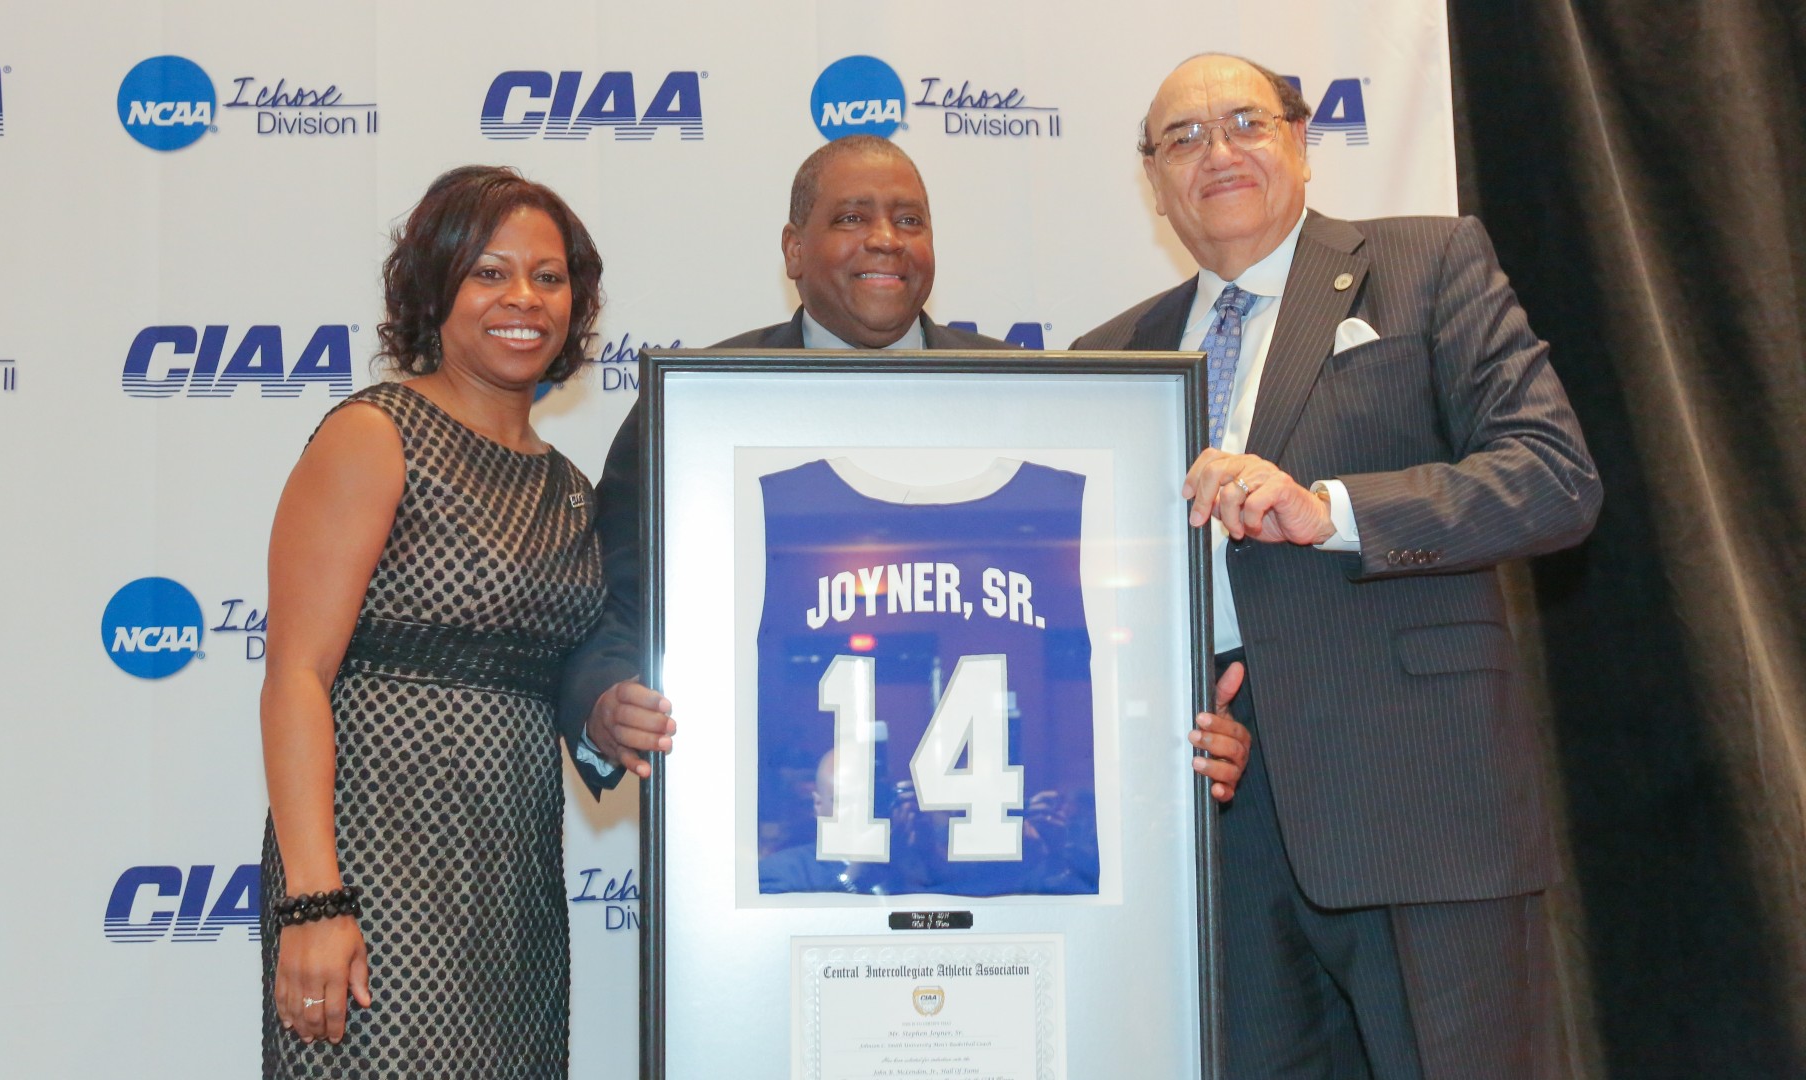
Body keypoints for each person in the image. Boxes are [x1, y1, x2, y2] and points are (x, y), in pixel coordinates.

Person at [1075, 54, 1603, 1077]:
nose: (1216, 152)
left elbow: (1554, 476)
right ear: (1153, 180)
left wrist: (1332, 511)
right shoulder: (1116, 355)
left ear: (1300, 141)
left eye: (1244, 123)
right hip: (1215, 826)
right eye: (1182, 138)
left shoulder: (1429, 264)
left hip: (1411, 800)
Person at [556, 135, 1253, 808]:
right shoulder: (696, 411)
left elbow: (1114, 606)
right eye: (852, 218)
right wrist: (605, 702)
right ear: (794, 250)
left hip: (1011, 837)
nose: (886, 238)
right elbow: (616, 611)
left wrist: (1178, 723)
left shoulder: (1033, 400)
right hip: (771, 828)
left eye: (910, 220)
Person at [257, 165, 610, 1077]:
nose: (523, 298)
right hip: (375, 878)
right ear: (435, 286)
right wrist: (313, 901)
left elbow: (577, 681)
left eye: (548, 275)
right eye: (489, 273)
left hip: (513, 890)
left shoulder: (570, 488)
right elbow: (297, 674)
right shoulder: (378, 436)